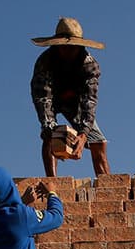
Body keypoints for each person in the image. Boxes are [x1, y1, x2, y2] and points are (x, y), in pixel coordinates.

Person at [30, 17, 110, 177]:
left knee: (98, 142)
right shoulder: (45, 62)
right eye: (64, 47)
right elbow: (43, 99)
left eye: (72, 48)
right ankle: (52, 183)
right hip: (51, 98)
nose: (68, 51)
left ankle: (106, 186)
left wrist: (83, 134)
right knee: (49, 134)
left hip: (76, 102)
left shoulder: (89, 65)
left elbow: (89, 100)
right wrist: (51, 130)